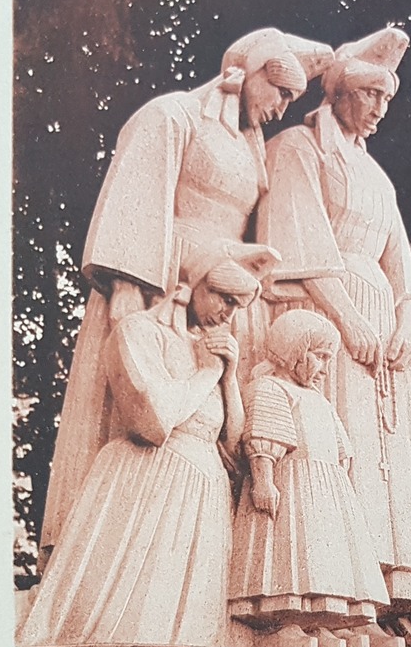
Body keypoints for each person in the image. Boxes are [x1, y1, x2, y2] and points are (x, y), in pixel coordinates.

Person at [39, 28, 332, 566]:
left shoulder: (248, 147)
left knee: (219, 431)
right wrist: (132, 306)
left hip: (226, 300)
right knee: (144, 429)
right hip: (158, 289)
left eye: (294, 99)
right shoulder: (172, 116)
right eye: (281, 92)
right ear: (254, 71)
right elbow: (135, 211)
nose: (283, 107)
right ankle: (120, 564)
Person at [255, 28, 411, 624]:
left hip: (382, 325)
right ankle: (333, 590)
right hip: (322, 318)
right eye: (369, 95)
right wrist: (349, 318)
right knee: (336, 451)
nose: (380, 109)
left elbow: (401, 261)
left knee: (385, 454)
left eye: (387, 99)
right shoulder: (297, 149)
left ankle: (387, 596)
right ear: (339, 93)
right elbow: (298, 242)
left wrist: (401, 322)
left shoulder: (378, 176)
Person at [18, 247, 276, 647]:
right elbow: (151, 420)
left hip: (203, 485)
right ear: (197, 285)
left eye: (238, 306)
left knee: (187, 628)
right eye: (225, 298)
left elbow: (230, 442)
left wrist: (227, 377)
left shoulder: (210, 348)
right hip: (147, 478)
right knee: (125, 622)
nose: (229, 313)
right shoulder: (139, 331)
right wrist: (207, 372)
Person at [229, 311, 391, 647]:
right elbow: (263, 437)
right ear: (294, 350)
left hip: (325, 492)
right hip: (290, 487)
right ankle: (282, 624)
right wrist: (263, 480)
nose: (324, 367)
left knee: (322, 563)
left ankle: (319, 622)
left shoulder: (318, 398)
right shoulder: (269, 388)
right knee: (287, 560)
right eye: (319, 356)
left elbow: (342, 449)